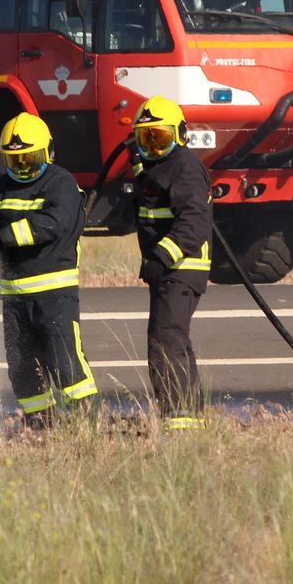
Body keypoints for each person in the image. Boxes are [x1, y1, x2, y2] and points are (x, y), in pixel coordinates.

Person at [0, 111, 97, 428]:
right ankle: (41, 424)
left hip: (53, 293)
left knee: (64, 359)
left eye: (29, 160)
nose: (22, 167)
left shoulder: (61, 183)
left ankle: (85, 421)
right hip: (14, 296)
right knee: (21, 366)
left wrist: (7, 235)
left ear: (48, 152)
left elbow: (54, 224)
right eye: (15, 161)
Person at [131, 96, 213, 430]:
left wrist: (161, 256)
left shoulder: (184, 167)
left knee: (166, 338)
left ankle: (180, 419)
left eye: (160, 138)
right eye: (146, 138)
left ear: (180, 134)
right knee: (172, 337)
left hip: (182, 266)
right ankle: (188, 415)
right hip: (170, 269)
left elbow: (194, 222)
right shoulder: (155, 168)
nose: (152, 147)